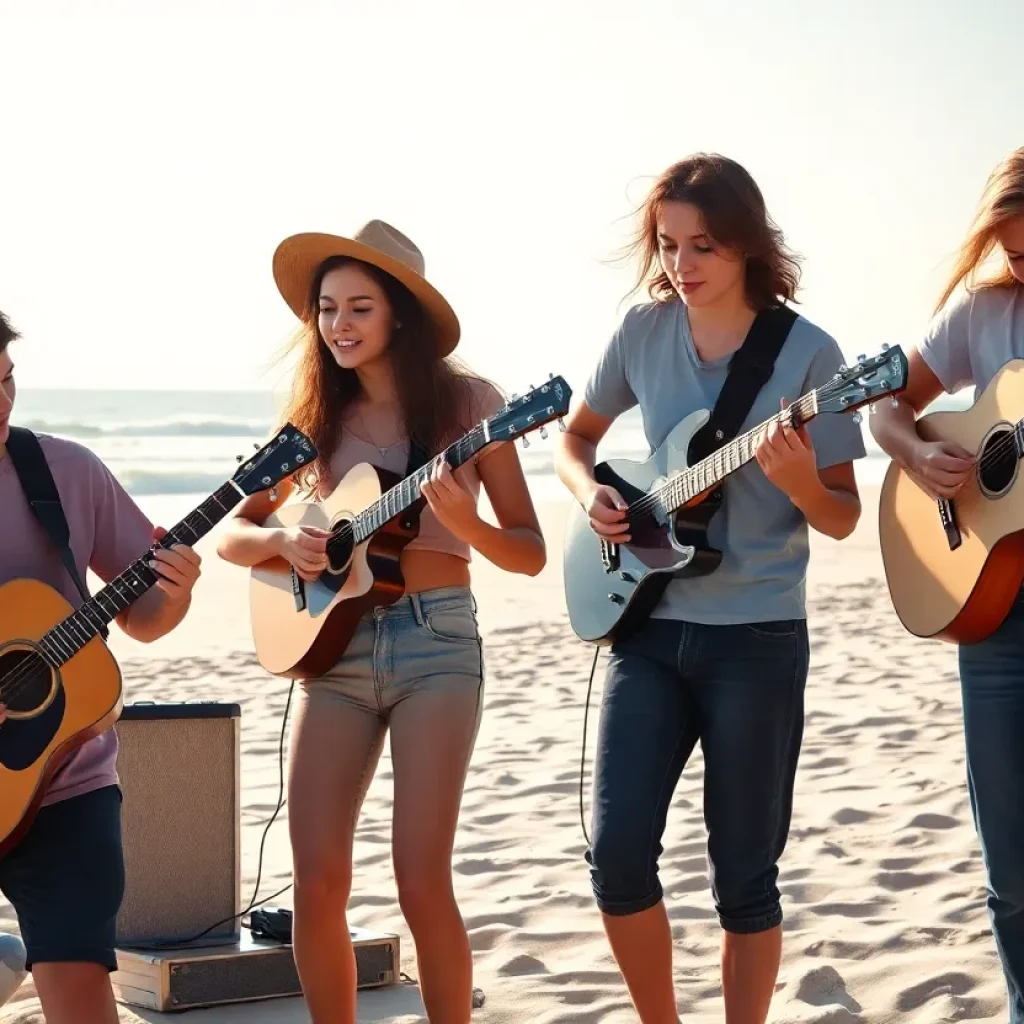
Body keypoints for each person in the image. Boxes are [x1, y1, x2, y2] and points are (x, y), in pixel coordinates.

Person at [554, 154, 866, 1024]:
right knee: (616, 858)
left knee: (744, 877)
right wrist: (596, 497)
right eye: (669, 245)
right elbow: (574, 443)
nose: (683, 265)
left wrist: (799, 480)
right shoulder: (643, 333)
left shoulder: (813, 356)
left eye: (705, 246)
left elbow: (840, 517)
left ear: (747, 246)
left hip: (756, 638)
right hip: (647, 630)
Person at [216, 220, 545, 1024]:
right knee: (317, 879)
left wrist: (465, 526)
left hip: (436, 643)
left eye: (359, 306)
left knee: (419, 877)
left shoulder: (472, 406)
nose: (339, 325)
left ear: (401, 313)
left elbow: (530, 552)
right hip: (332, 652)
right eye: (327, 308)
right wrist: (284, 540)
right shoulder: (316, 416)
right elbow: (232, 534)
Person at [0, 310, 203, 1024]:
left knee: (81, 992)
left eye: (6, 381)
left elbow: (141, 618)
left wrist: (174, 593)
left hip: (66, 776)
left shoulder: (63, 473)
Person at [869, 146, 1024, 1023]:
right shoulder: (983, 310)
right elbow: (885, 403)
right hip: (995, 614)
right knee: (1012, 873)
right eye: (1015, 254)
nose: (1023, 272)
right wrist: (921, 451)